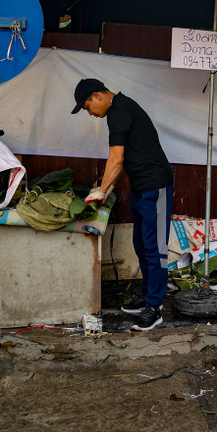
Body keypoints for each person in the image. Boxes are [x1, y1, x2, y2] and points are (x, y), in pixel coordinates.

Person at [72, 78, 174, 331]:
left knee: (155, 249)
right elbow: (123, 159)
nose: (90, 113)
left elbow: (116, 160)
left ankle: (155, 308)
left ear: (97, 96)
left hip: (156, 187)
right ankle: (148, 297)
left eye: (87, 107)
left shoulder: (118, 111)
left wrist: (101, 191)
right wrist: (104, 189)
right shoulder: (119, 109)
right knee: (141, 244)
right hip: (141, 186)